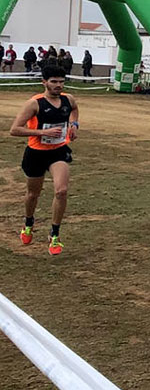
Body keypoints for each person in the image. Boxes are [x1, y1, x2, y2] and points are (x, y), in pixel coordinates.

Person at [10, 66, 79, 255]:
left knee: (62, 191)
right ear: (44, 82)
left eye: (61, 81)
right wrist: (42, 132)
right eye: (54, 81)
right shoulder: (34, 104)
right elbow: (14, 129)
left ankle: (55, 234)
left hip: (58, 151)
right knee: (33, 194)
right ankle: (28, 222)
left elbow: (74, 109)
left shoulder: (68, 99)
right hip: (36, 153)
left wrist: (74, 124)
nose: (58, 85)